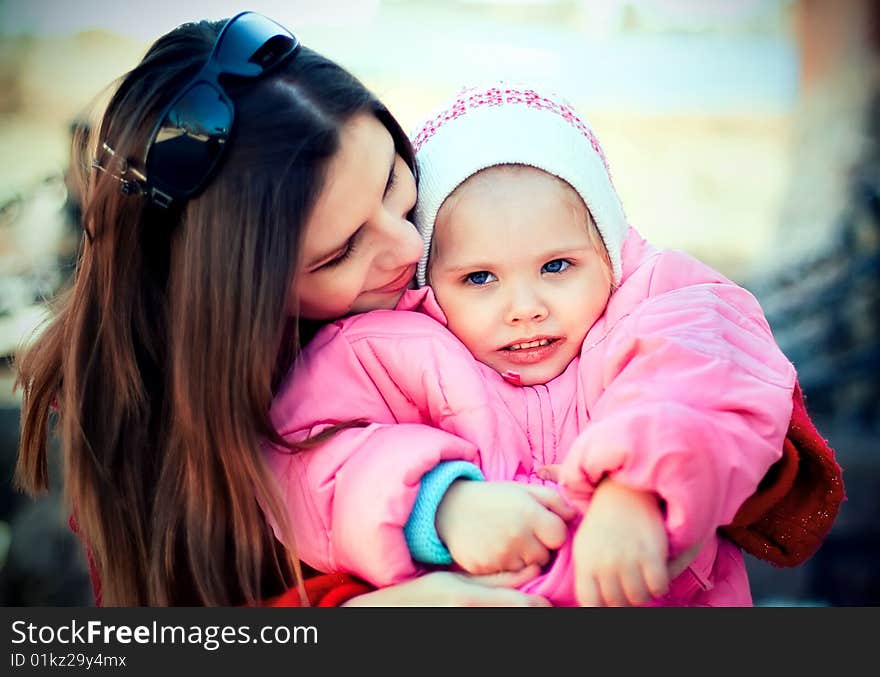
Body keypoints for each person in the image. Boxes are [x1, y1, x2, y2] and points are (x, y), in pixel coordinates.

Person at [12, 12, 554, 607]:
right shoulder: (140, 422)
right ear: (241, 296)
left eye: (392, 182)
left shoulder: (466, 218)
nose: (407, 245)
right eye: (341, 251)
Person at [267, 82, 843, 606]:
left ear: (610, 249)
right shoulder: (382, 351)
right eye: (479, 279)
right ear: (428, 278)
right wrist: (437, 507)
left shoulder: (661, 308)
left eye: (558, 265)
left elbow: (700, 386)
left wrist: (637, 489)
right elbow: (304, 459)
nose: (525, 307)